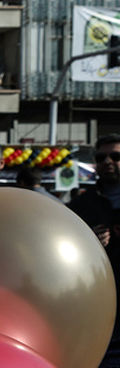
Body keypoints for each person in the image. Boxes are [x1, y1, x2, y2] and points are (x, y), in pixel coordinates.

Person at [69, 134, 120, 367]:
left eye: (116, 156)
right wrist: (88, 240)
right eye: (101, 157)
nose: (108, 161)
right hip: (97, 304)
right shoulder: (82, 203)